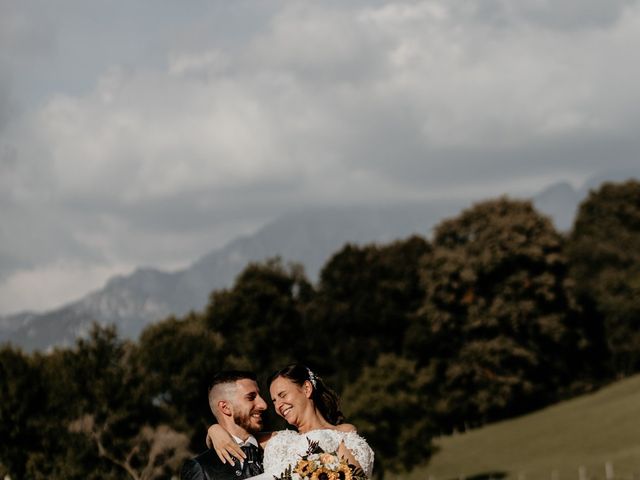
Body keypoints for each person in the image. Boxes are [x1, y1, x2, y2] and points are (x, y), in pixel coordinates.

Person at [207, 364, 374, 479]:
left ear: (307, 389)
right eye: (274, 401)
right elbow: (237, 435)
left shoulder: (342, 433)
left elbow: (354, 476)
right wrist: (214, 430)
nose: (278, 406)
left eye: (282, 395)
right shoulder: (276, 439)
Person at [180, 370, 268, 480]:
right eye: (250, 397)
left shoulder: (280, 449)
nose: (263, 405)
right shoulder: (202, 467)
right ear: (225, 407)